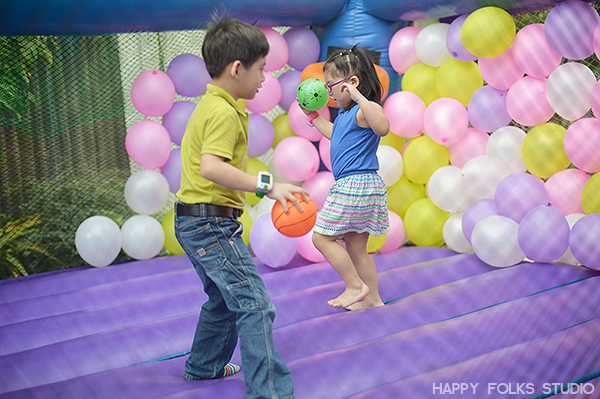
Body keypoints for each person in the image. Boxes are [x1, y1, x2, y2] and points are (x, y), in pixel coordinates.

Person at [174, 14, 305, 399]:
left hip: (198, 221)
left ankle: (205, 366)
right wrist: (269, 185)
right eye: (261, 69)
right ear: (236, 68)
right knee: (255, 304)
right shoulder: (222, 112)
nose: (265, 78)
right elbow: (211, 167)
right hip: (209, 224)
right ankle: (270, 393)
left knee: (223, 299)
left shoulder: (214, 106)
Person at [301, 45, 390, 311]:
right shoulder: (345, 115)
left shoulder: (365, 109)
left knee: (321, 238)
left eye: (331, 87)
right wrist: (313, 118)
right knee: (356, 247)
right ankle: (373, 299)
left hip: (355, 184)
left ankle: (354, 285)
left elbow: (383, 127)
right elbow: (336, 134)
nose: (328, 93)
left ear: (352, 83)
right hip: (363, 186)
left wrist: (360, 97)